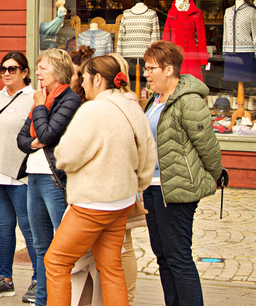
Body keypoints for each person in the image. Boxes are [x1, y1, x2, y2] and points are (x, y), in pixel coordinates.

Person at [44, 55, 156, 306]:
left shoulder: (93, 110)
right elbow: (149, 154)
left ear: (97, 78)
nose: (81, 84)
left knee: (56, 261)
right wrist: (135, 185)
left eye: (83, 77)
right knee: (111, 266)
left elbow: (66, 155)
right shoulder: (133, 106)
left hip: (93, 202)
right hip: (122, 200)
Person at [142, 40, 224, 306]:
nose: (146, 73)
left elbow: (207, 143)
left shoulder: (188, 101)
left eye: (151, 68)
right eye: (145, 68)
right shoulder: (154, 100)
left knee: (178, 256)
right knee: (163, 256)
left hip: (178, 189)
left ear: (169, 70)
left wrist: (216, 174)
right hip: (153, 187)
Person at [16, 48, 81, 306]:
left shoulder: (69, 99)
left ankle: (64, 298)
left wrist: (40, 107)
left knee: (62, 244)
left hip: (54, 179)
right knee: (40, 244)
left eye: (43, 67)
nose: (38, 72)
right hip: (33, 175)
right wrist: (34, 142)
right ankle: (42, 300)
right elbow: (22, 138)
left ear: (58, 69)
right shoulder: (39, 98)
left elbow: (47, 135)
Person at [0, 51, 38, 301]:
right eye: (3, 68)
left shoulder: (34, 97)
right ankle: (5, 278)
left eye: (12, 69)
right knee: (3, 227)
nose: (6, 73)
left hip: (19, 173)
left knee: (28, 227)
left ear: (25, 72)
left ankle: (39, 280)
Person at [109, 52, 145, 306]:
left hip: (121, 180)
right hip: (110, 180)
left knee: (123, 242)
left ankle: (128, 297)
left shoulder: (126, 104)